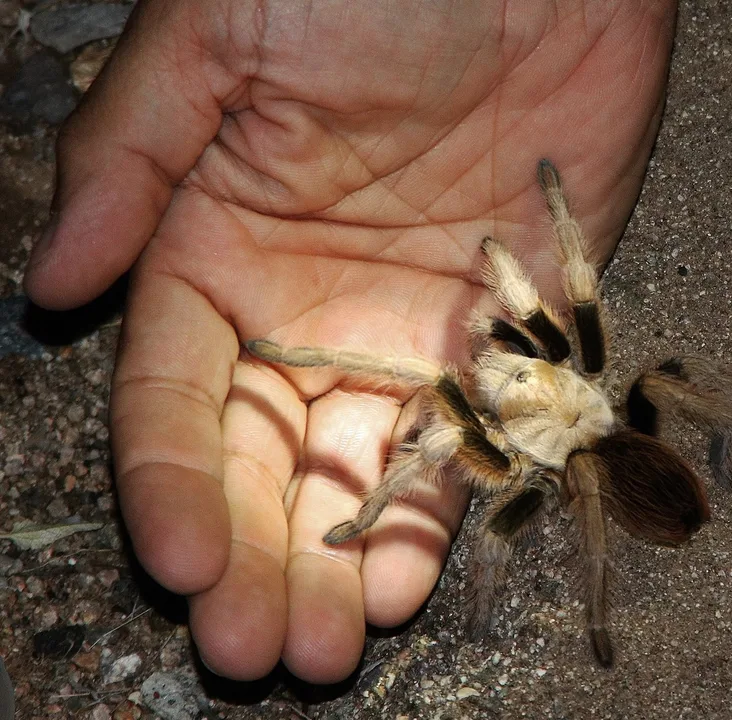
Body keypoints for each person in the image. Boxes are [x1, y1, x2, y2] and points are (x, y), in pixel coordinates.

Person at [24, 0, 677, 684]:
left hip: (587, 457)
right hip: (574, 425)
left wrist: (369, 508)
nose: (511, 363)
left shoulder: (549, 451)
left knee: (451, 422)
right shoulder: (556, 361)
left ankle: (586, 612)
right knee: (602, 369)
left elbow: (556, 294)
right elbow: (547, 282)